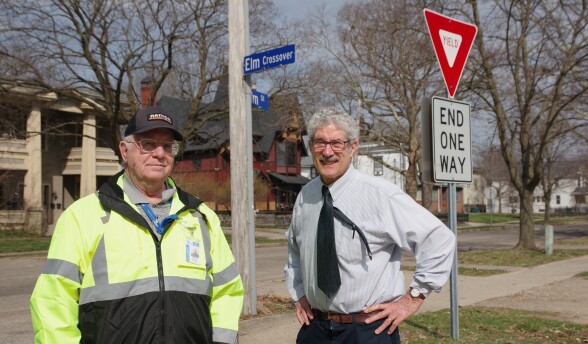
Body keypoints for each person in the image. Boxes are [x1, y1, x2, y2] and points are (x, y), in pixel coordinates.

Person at [30, 106, 244, 344]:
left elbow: (228, 292)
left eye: (168, 146)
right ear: (125, 150)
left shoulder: (201, 217)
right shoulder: (82, 216)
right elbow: (53, 301)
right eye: (148, 144)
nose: (160, 153)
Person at [284, 107, 456, 343]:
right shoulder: (306, 196)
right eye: (320, 142)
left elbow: (438, 238)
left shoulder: (380, 195)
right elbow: (295, 251)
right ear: (311, 145)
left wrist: (413, 298)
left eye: (337, 143)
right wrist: (300, 294)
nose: (327, 152)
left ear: (353, 147)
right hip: (315, 329)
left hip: (367, 331)